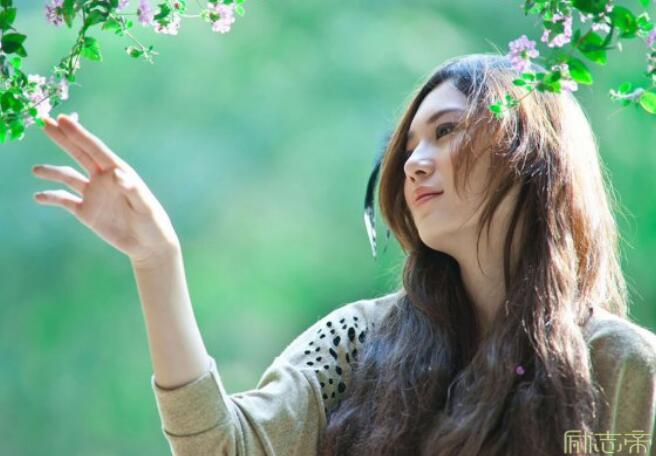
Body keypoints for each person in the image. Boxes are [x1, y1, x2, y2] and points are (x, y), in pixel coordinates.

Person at [32, 53, 656, 456]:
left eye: (446, 130)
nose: (414, 162)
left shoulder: (624, 366)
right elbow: (224, 447)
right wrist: (156, 260)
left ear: (532, 152)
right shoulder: (358, 343)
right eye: (407, 147)